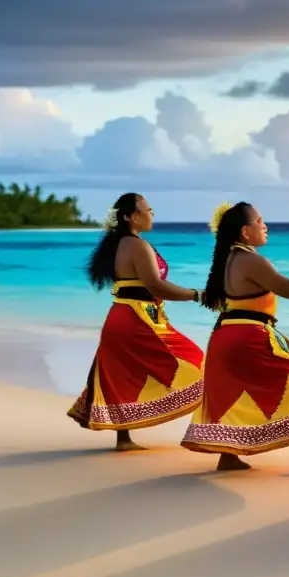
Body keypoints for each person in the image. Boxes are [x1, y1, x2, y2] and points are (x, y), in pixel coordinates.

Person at [180, 202, 289, 471]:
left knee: (232, 397)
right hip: (250, 337)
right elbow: (288, 288)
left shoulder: (227, 260)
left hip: (224, 337)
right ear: (245, 232)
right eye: (259, 221)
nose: (265, 226)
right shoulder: (251, 260)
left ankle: (228, 456)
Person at [68, 193, 205, 451]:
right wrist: (197, 295)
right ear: (132, 216)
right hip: (137, 318)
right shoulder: (136, 246)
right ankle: (212, 431)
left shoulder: (122, 243)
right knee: (195, 360)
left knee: (125, 375)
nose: (152, 214)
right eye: (148, 210)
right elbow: (156, 286)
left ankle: (124, 440)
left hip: (122, 315)